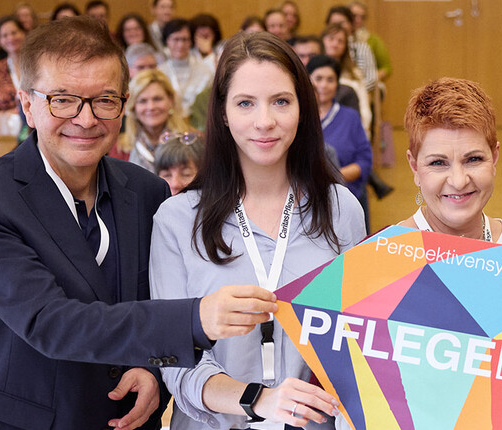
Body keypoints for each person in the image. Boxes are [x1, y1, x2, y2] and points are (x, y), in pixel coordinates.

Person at [0, 17, 278, 429]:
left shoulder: (148, 191)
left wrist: (153, 372)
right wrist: (196, 319)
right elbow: (50, 323)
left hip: (128, 419)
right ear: (27, 105)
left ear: (124, 103)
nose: (86, 119)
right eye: (63, 100)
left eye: (104, 100)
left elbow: (152, 301)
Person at [151, 30, 362, 429]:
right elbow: (176, 358)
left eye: (281, 101)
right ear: (223, 113)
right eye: (245, 103)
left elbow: (352, 339)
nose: (265, 122)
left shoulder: (341, 209)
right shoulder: (176, 220)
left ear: (302, 108)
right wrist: (258, 400)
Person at [401, 77, 502, 252]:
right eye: (438, 163)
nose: (459, 182)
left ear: (494, 158)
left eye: (473, 159)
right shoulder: (380, 254)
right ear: (414, 167)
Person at [307, 55, 371, 229]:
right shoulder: (298, 118)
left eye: (330, 80)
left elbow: (364, 161)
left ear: (337, 84)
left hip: (345, 194)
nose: (324, 85)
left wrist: (332, 178)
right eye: (318, 78)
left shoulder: (350, 117)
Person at [114, 69, 192, 170]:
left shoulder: (193, 142)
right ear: (133, 107)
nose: (151, 107)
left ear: (171, 100)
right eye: (143, 101)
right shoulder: (119, 148)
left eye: (157, 99)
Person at [161, 19, 214, 119]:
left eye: (185, 39)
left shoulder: (205, 71)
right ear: (167, 41)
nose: (180, 45)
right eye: (176, 39)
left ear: (191, 42)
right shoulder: (160, 72)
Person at [0, 16, 26, 137]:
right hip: (7, 133)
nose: (10, 38)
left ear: (23, 33)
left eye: (14, 33)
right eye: (4, 35)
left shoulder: (38, 65)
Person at [349, 1, 392, 82]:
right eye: (354, 16)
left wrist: (370, 78)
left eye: (362, 17)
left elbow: (386, 68)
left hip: (367, 82)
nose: (358, 20)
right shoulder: (340, 39)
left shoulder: (373, 40)